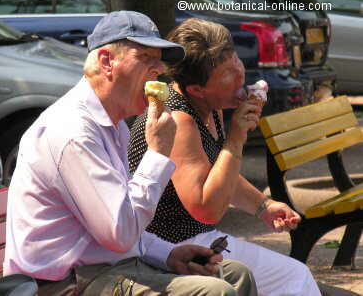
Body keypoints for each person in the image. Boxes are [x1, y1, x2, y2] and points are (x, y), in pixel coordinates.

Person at [3, 11, 258, 296]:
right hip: (62, 284)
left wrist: (168, 254)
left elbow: (120, 226)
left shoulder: (112, 125)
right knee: (215, 292)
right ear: (106, 62)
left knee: (237, 275)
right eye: (146, 58)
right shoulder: (73, 132)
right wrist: (158, 154)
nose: (159, 69)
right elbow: (120, 234)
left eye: (159, 60)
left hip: (106, 267)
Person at [128, 18, 322, 296]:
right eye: (228, 74)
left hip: (195, 236)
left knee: (289, 277)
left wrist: (263, 205)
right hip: (169, 246)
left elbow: (216, 172)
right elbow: (206, 209)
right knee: (294, 277)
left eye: (237, 63)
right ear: (197, 89)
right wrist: (236, 138)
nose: (241, 76)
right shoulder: (178, 121)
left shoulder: (211, 105)